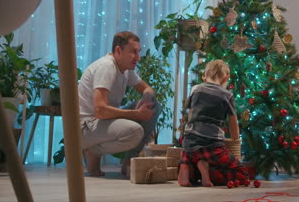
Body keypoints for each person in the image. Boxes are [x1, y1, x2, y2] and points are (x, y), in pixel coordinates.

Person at [78, 31, 160, 177]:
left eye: (138, 52)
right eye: (133, 52)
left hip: (100, 121)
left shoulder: (125, 69)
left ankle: (129, 162)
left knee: (154, 104)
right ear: (118, 51)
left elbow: (148, 89)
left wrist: (146, 98)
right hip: (85, 126)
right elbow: (100, 110)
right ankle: (92, 150)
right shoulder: (107, 67)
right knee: (135, 131)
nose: (138, 57)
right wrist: (136, 114)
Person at [178, 59, 248, 187]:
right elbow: (233, 122)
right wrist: (235, 140)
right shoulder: (227, 95)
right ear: (226, 78)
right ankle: (207, 170)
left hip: (189, 143)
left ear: (204, 77)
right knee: (242, 174)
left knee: (190, 155)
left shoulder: (195, 89)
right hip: (211, 145)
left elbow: (189, 115)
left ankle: (187, 164)